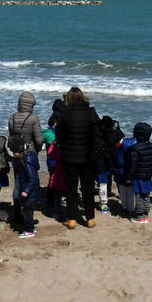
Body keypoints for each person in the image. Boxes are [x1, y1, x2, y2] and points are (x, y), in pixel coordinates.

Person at [55, 87, 100, 229]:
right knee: (88, 188)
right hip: (88, 157)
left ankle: (72, 219)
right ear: (82, 97)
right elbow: (97, 133)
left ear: (68, 98)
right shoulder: (91, 112)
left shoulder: (65, 114)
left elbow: (59, 135)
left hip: (69, 157)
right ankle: (90, 218)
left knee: (71, 189)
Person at [8, 91, 44, 226]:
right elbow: (39, 139)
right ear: (31, 105)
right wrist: (37, 150)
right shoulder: (33, 118)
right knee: (30, 182)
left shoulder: (12, 117)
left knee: (18, 182)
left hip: (16, 155)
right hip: (29, 154)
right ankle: (27, 215)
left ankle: (17, 213)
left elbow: (11, 138)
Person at [124, 122, 152, 224]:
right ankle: (146, 215)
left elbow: (132, 165)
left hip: (138, 177)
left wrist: (128, 176)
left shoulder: (135, 149)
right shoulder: (151, 146)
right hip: (147, 176)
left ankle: (140, 216)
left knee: (138, 197)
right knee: (146, 196)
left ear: (136, 135)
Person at [8, 139, 39, 238]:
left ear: (19, 152)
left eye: (14, 152)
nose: (13, 154)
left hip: (29, 190)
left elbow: (33, 178)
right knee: (28, 209)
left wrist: (26, 190)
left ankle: (29, 230)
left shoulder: (27, 161)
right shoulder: (27, 157)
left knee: (26, 210)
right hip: (29, 188)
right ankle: (31, 226)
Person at [94, 115, 124, 214]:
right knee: (118, 179)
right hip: (112, 159)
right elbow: (121, 140)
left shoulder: (97, 132)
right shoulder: (115, 133)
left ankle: (104, 203)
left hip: (99, 160)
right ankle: (123, 199)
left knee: (103, 181)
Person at [113, 134, 137, 218]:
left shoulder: (121, 142)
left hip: (120, 171)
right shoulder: (136, 142)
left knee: (122, 192)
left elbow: (114, 153)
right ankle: (130, 209)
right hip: (131, 173)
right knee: (130, 193)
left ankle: (124, 207)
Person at [47, 139, 67, 221]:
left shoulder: (55, 143)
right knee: (66, 194)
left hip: (57, 171)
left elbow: (50, 153)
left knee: (58, 195)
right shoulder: (68, 142)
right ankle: (66, 213)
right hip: (65, 171)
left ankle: (56, 213)